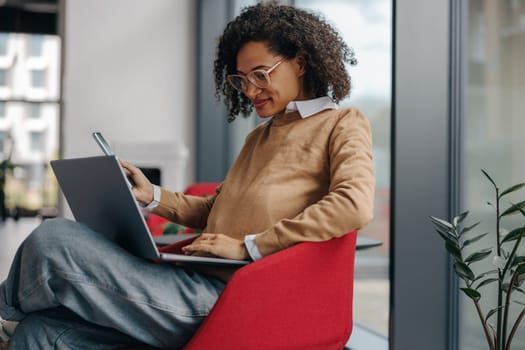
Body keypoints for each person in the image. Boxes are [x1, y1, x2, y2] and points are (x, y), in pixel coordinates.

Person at [0, 2, 374, 349]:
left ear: (301, 62)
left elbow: (352, 205)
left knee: (56, 238)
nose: (250, 90)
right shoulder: (260, 135)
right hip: (192, 283)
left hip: (233, 301)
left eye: (260, 74)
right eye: (240, 79)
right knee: (41, 334)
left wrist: (250, 246)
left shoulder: (342, 124)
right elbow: (217, 207)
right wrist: (153, 196)